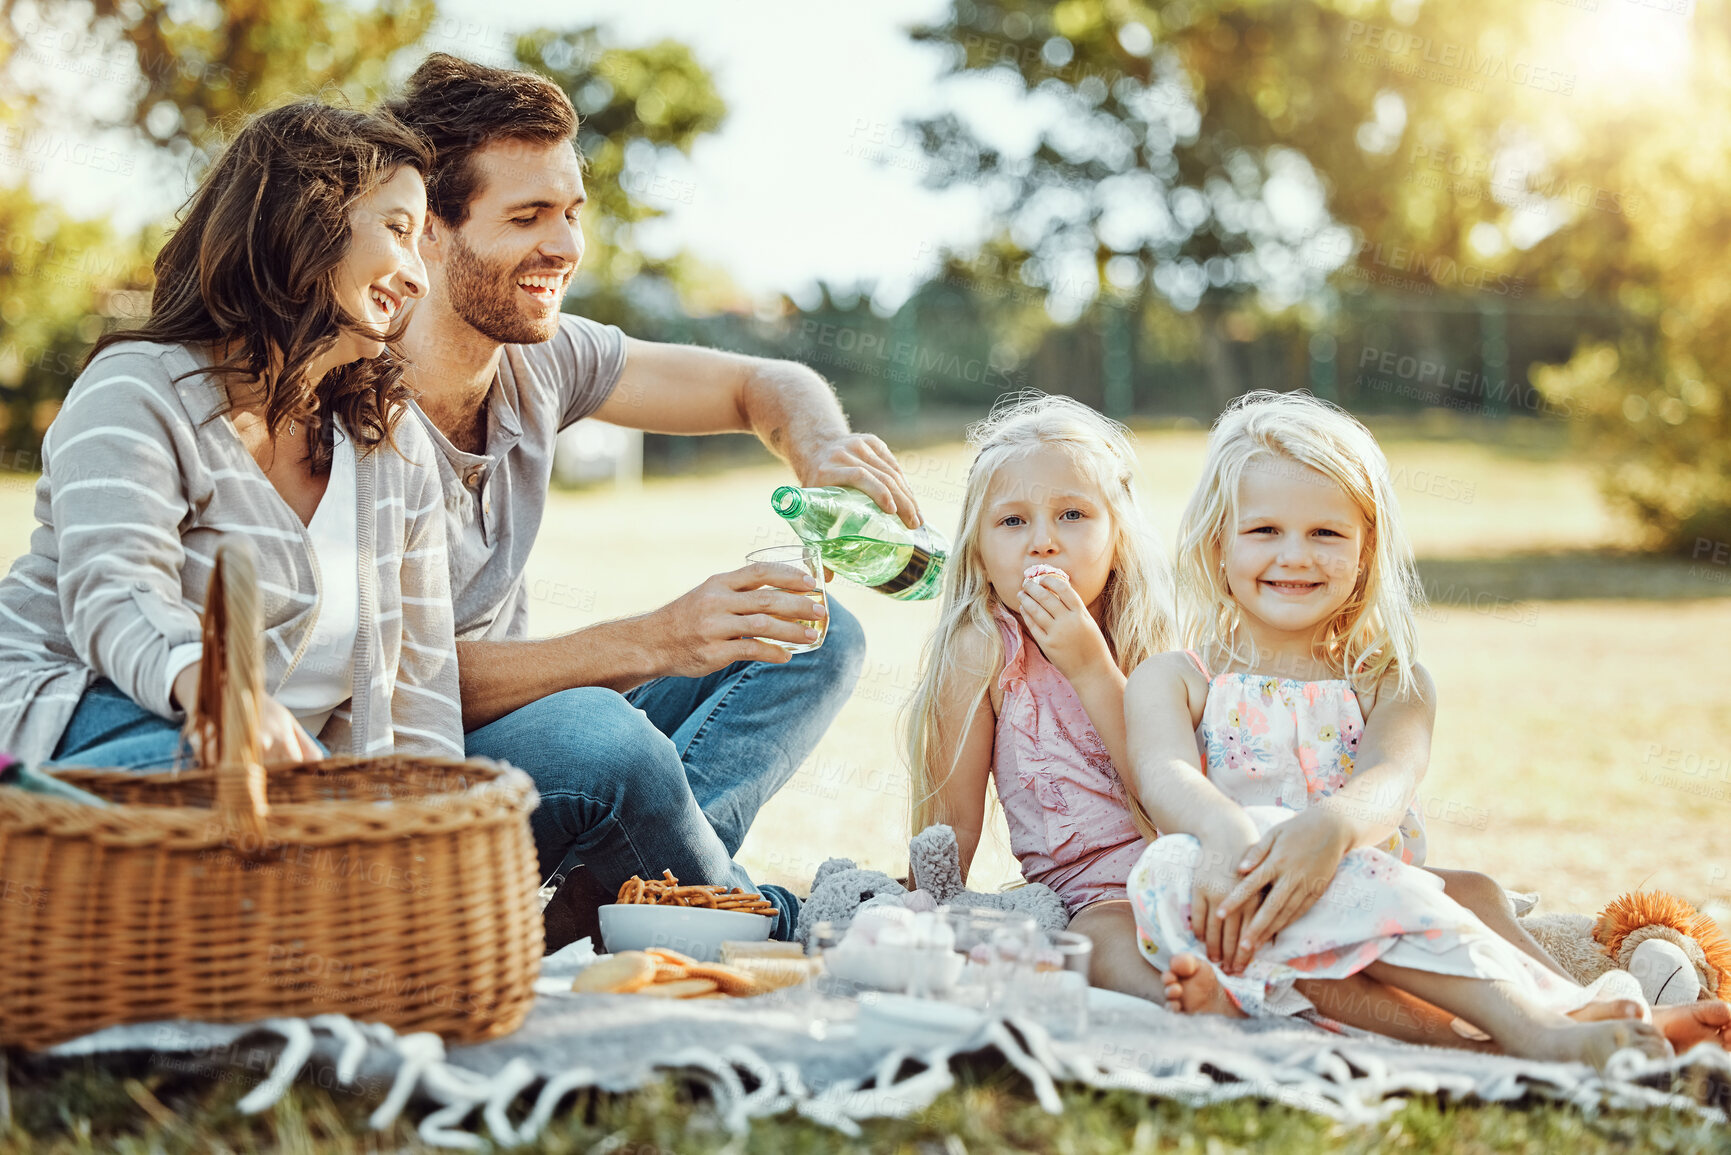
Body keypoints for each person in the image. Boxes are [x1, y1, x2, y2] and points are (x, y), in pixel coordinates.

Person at [382, 55, 906, 945]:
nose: (564, 247)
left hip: (537, 735)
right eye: (527, 216)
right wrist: (659, 637)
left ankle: (617, 901)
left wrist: (821, 450)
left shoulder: (542, 354)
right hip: (429, 774)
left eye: (571, 213)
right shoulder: (348, 396)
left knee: (817, 632)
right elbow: (394, 680)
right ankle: (759, 918)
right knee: (601, 735)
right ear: (428, 230)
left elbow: (758, 382)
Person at [1122, 390, 1731, 1063]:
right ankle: (1520, 1027)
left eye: (1325, 533)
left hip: (1368, 877)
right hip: (1247, 893)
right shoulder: (1176, 677)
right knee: (1165, 869)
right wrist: (1226, 833)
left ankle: (1580, 1008)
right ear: (1217, 544)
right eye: (1264, 530)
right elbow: (1163, 772)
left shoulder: (1389, 678)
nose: (1294, 555)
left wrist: (1330, 830)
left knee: (1471, 891)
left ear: (1364, 550)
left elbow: (1390, 774)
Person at [0, 102, 463, 770]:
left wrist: (424, 832)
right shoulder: (136, 389)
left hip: (261, 770)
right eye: (397, 229)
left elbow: (418, 692)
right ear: (306, 219)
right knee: (226, 788)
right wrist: (218, 689)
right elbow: (117, 590)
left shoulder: (390, 442)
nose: (418, 276)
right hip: (60, 717)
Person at [903, 393, 1175, 992]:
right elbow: (950, 828)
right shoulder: (983, 648)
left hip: (1190, 870)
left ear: (1118, 532)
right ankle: (1195, 1001)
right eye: (1012, 521)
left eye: (1073, 515)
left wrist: (1090, 667)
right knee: (1102, 947)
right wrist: (916, 909)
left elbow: (1172, 806)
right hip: (1094, 900)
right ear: (979, 547)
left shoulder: (1156, 639)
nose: (1043, 542)